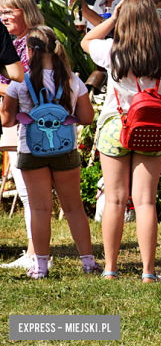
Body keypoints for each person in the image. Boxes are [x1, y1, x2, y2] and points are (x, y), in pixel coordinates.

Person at [81, 0, 161, 282]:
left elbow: (85, 41)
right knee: (146, 202)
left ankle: (111, 269)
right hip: (151, 125)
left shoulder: (111, 50)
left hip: (116, 125)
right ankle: (148, 272)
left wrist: (113, 18)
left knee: (114, 200)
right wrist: (154, 19)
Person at [0, 26, 99, 279]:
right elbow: (87, 118)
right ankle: (88, 262)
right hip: (65, 151)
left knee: (40, 209)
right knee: (74, 206)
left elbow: (7, 119)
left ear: (29, 51)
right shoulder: (71, 79)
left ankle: (40, 266)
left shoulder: (19, 83)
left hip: (31, 151)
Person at [0, 0, 46, 270]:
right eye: (1, 12)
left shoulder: (32, 43)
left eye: (9, 11)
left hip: (28, 119)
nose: (4, 17)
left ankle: (35, 252)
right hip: (15, 117)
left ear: (26, 11)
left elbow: (28, 85)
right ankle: (33, 249)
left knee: (30, 190)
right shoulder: (16, 42)